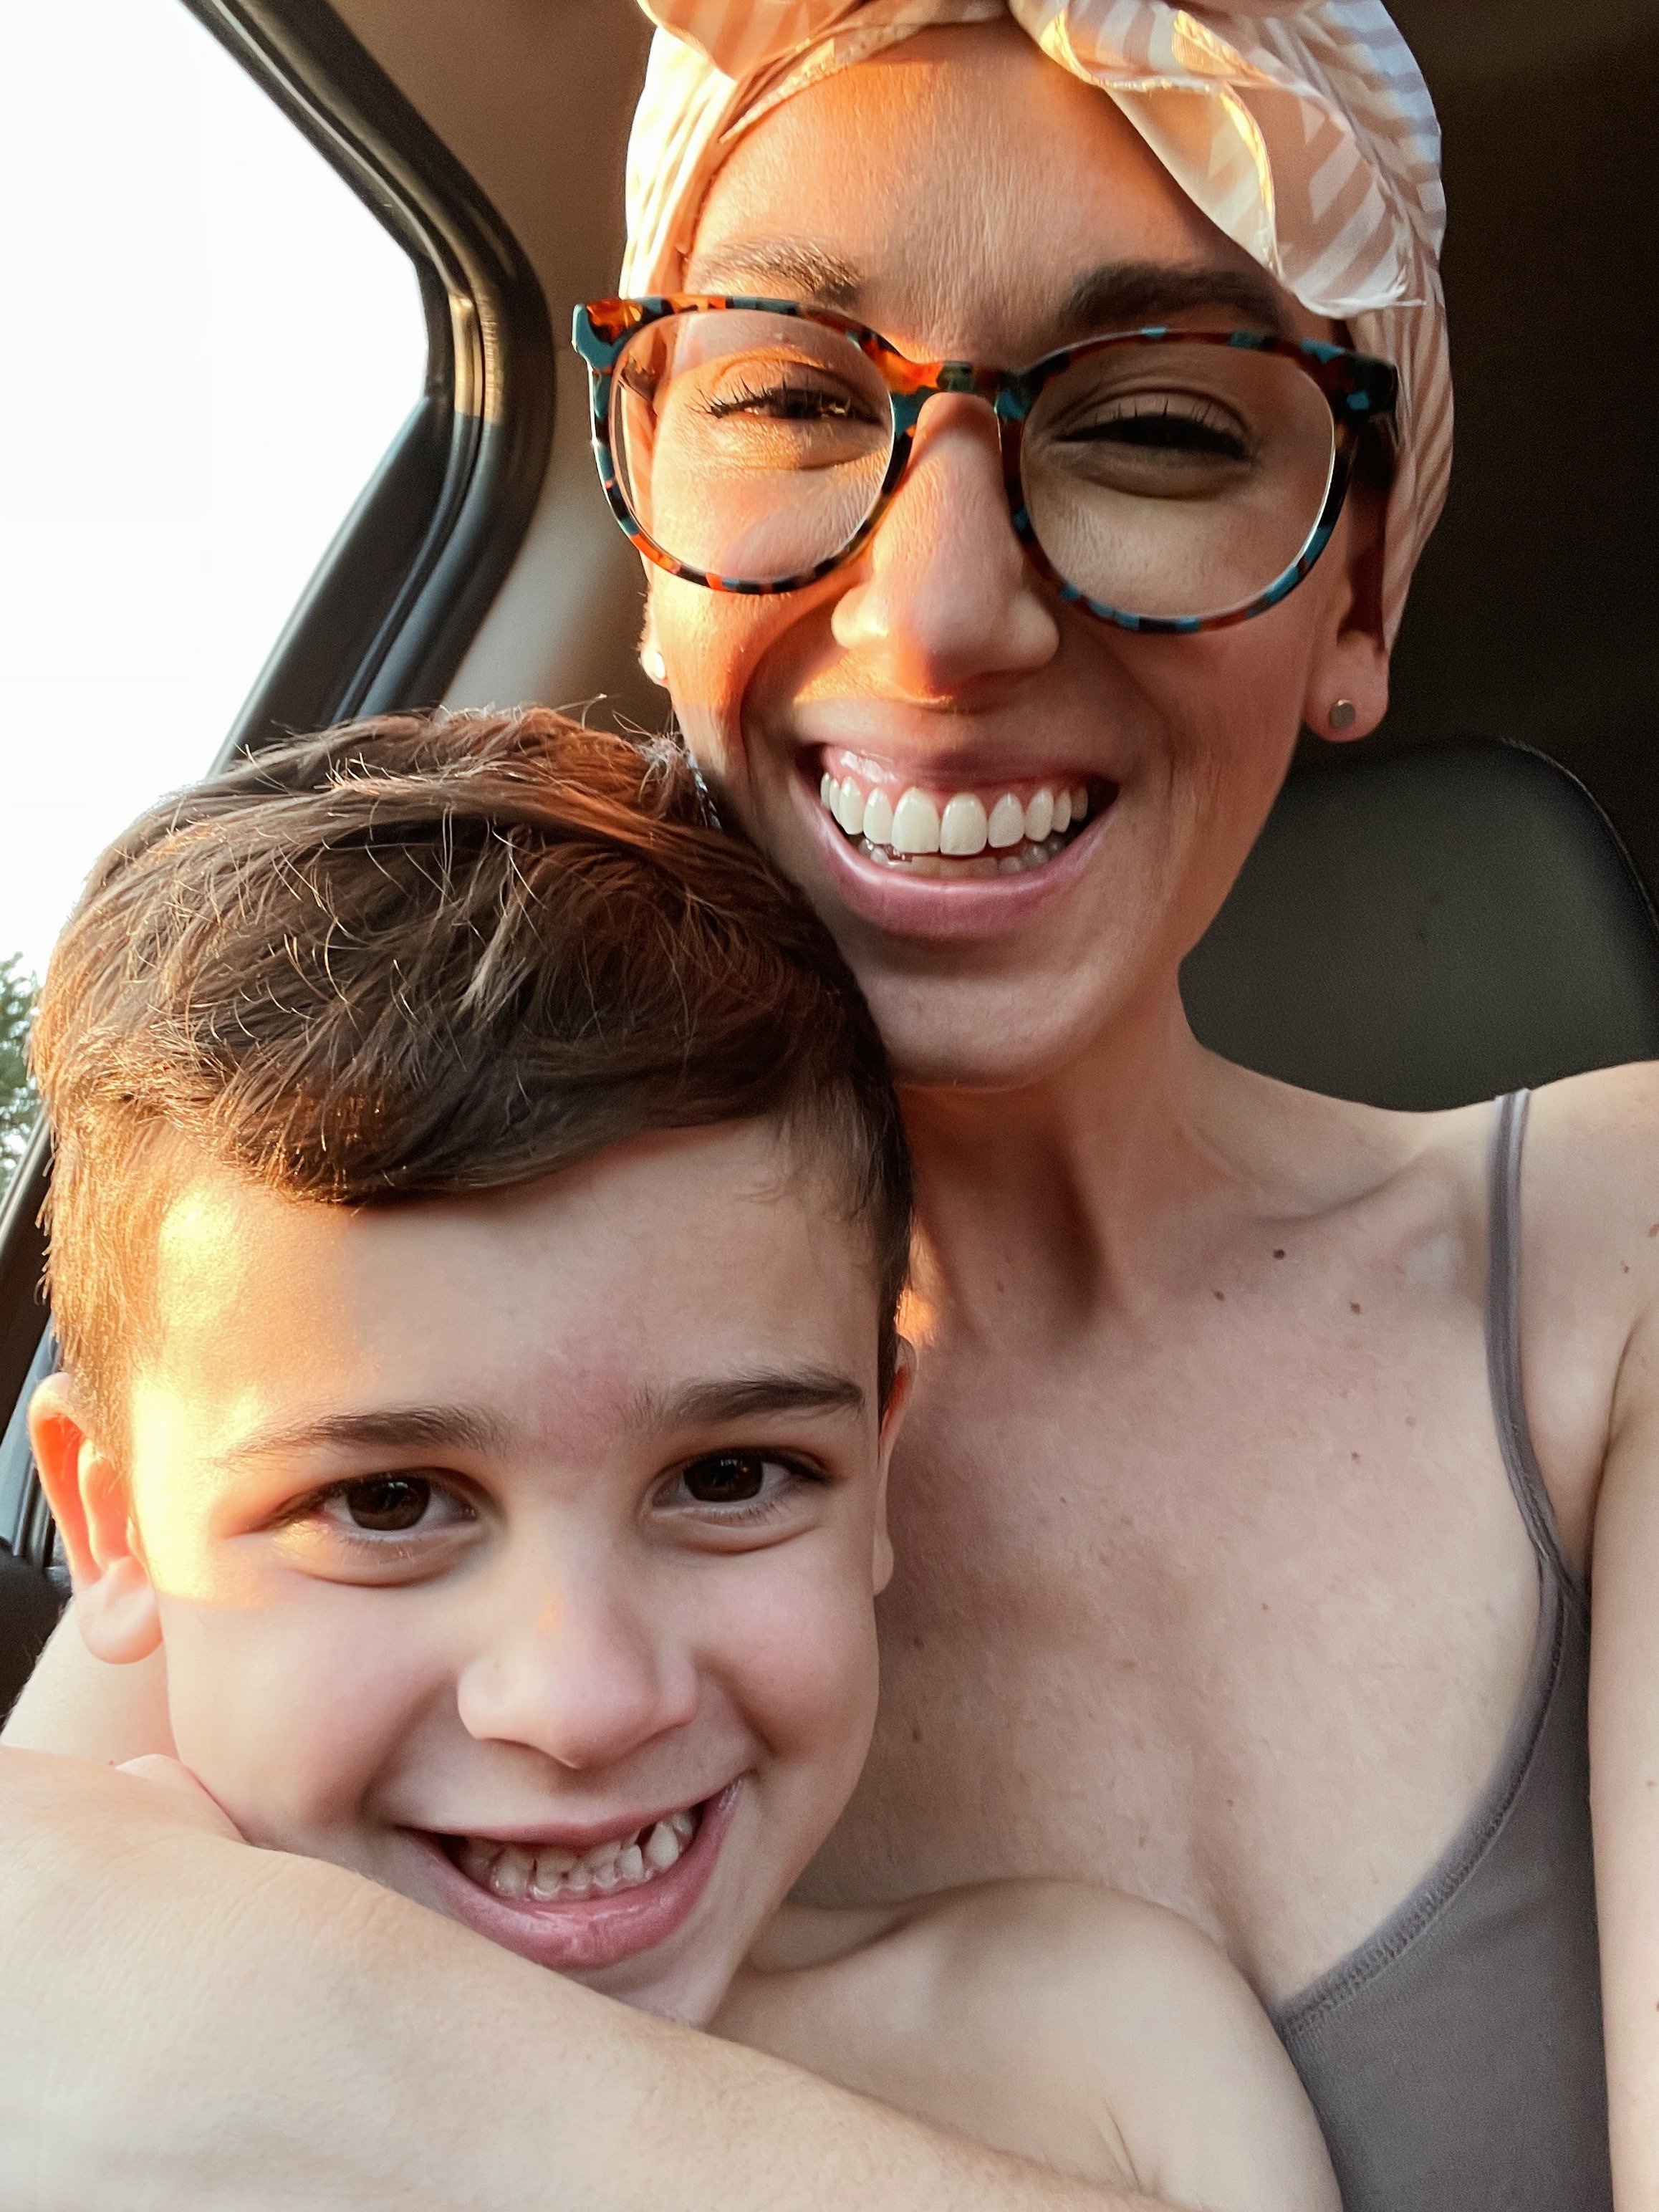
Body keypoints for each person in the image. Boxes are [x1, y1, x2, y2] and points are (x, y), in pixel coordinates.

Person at [2, 4, 1655, 2208]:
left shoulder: (1618, 1259)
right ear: (651, 508)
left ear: (1357, 586)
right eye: (788, 398)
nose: (944, 615)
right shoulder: (299, 1402)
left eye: (1157, 428)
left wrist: (384, 2051)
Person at [14, 706, 1337, 2212]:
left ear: (879, 1464)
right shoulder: (58, 2043)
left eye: (728, 1478)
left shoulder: (1100, 2055)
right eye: (387, 1502)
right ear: (114, 1529)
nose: (585, 1703)